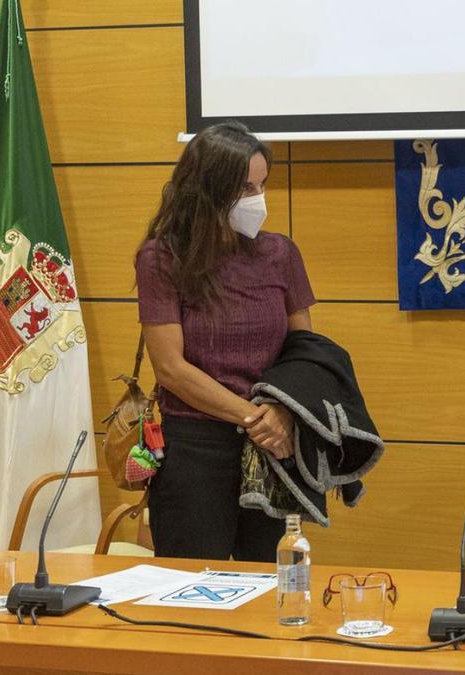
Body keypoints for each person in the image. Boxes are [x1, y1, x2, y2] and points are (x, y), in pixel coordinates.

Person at [135, 121, 316, 562]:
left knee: (274, 585)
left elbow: (305, 348)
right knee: (191, 595)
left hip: (274, 447)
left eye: (262, 186)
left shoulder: (281, 253)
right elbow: (171, 369)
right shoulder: (162, 258)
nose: (258, 200)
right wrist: (256, 418)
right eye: (245, 188)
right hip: (196, 449)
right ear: (208, 189)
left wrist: (282, 415)